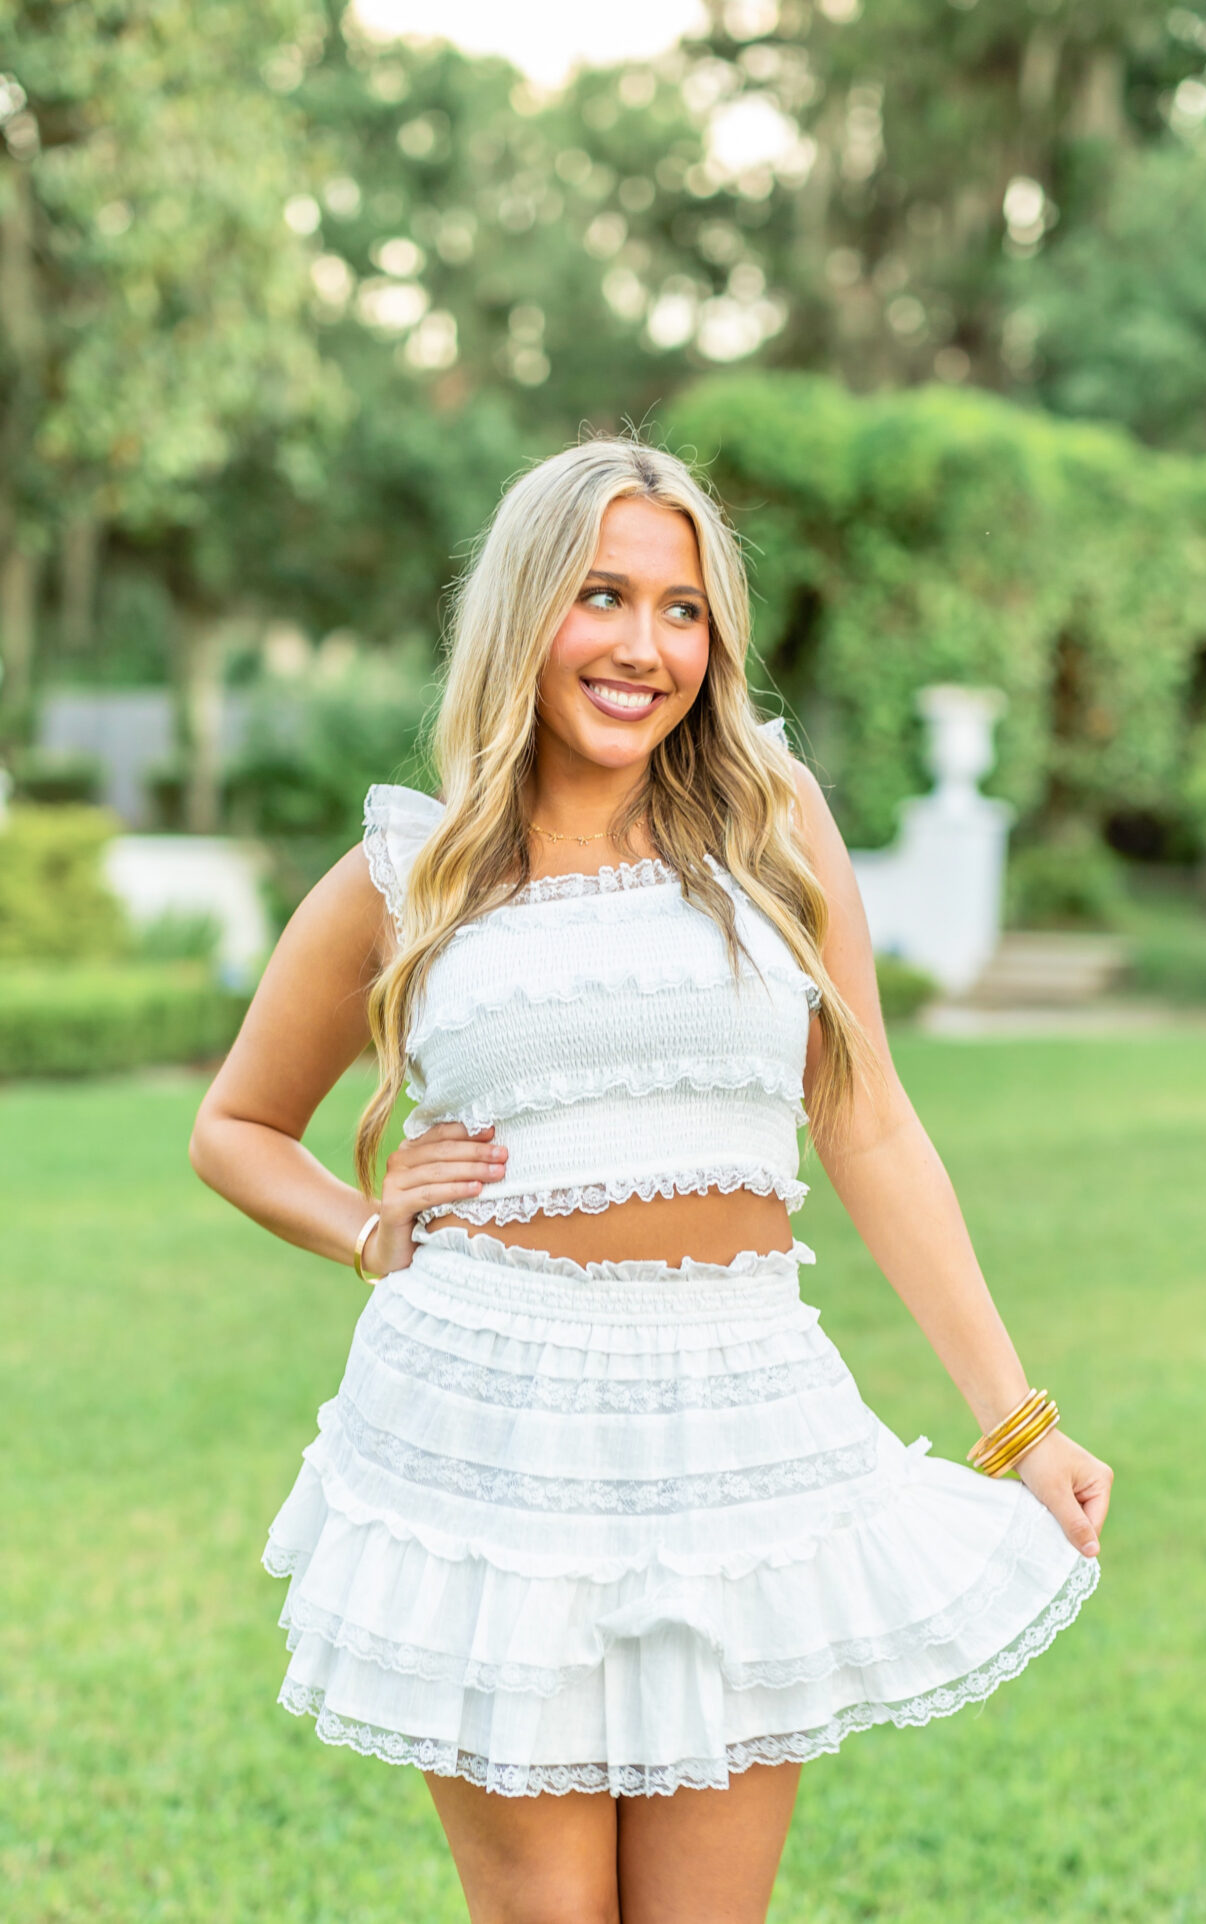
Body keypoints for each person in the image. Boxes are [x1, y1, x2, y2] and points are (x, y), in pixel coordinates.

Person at [189, 437, 1112, 1924]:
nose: (644, 647)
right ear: (523, 617)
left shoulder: (771, 821)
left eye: (683, 609)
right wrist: (368, 1228)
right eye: (602, 597)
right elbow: (233, 1125)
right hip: (494, 1423)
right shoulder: (407, 873)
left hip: (737, 1408)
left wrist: (1017, 1422)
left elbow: (868, 1125)